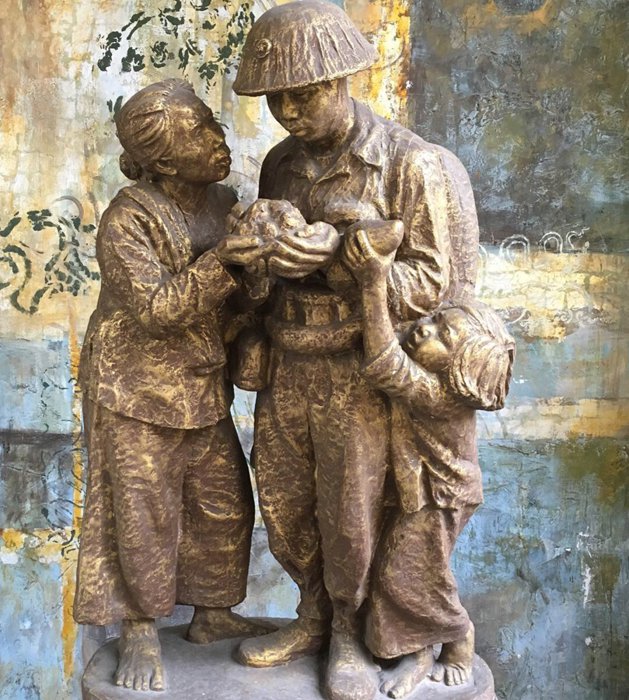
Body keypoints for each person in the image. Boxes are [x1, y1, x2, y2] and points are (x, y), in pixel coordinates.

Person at [229, 2, 481, 699]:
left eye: (304, 94)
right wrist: (261, 256)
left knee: (350, 509)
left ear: (343, 80)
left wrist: (337, 258)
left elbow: (435, 284)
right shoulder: (280, 165)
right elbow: (266, 268)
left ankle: (347, 628)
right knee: (284, 498)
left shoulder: (410, 164)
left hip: (358, 368)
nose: (288, 111)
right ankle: (311, 614)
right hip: (289, 356)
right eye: (276, 98)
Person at [74, 79, 271, 692]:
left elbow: (240, 296)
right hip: (134, 387)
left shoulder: (222, 203)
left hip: (200, 381)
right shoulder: (127, 219)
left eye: (213, 122)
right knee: (142, 511)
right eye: (200, 131)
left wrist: (261, 267)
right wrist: (226, 260)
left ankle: (212, 612)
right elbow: (158, 309)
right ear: (162, 161)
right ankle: (138, 627)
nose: (218, 138)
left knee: (223, 501)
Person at [343, 225, 515, 698]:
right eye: (437, 320)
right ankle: (415, 649)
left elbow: (384, 362)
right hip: (429, 491)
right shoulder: (435, 377)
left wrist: (374, 280)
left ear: (460, 367)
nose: (425, 328)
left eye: (443, 335)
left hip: (442, 497)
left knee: (406, 572)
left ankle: (456, 641)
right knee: (408, 570)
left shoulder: (439, 396)